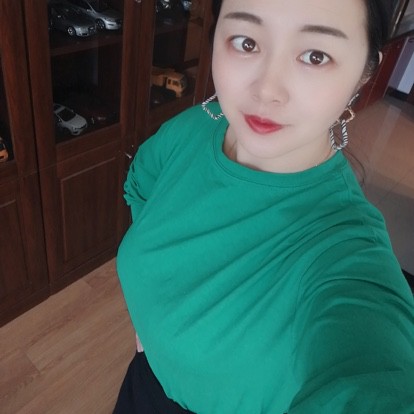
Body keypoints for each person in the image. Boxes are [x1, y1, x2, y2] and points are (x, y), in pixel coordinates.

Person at [114, 0, 414, 412]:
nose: (266, 90)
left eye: (315, 55)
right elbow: (139, 185)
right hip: (142, 380)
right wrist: (149, 321)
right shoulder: (193, 128)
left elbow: (373, 374)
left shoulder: (345, 253)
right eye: (246, 42)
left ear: (364, 72)